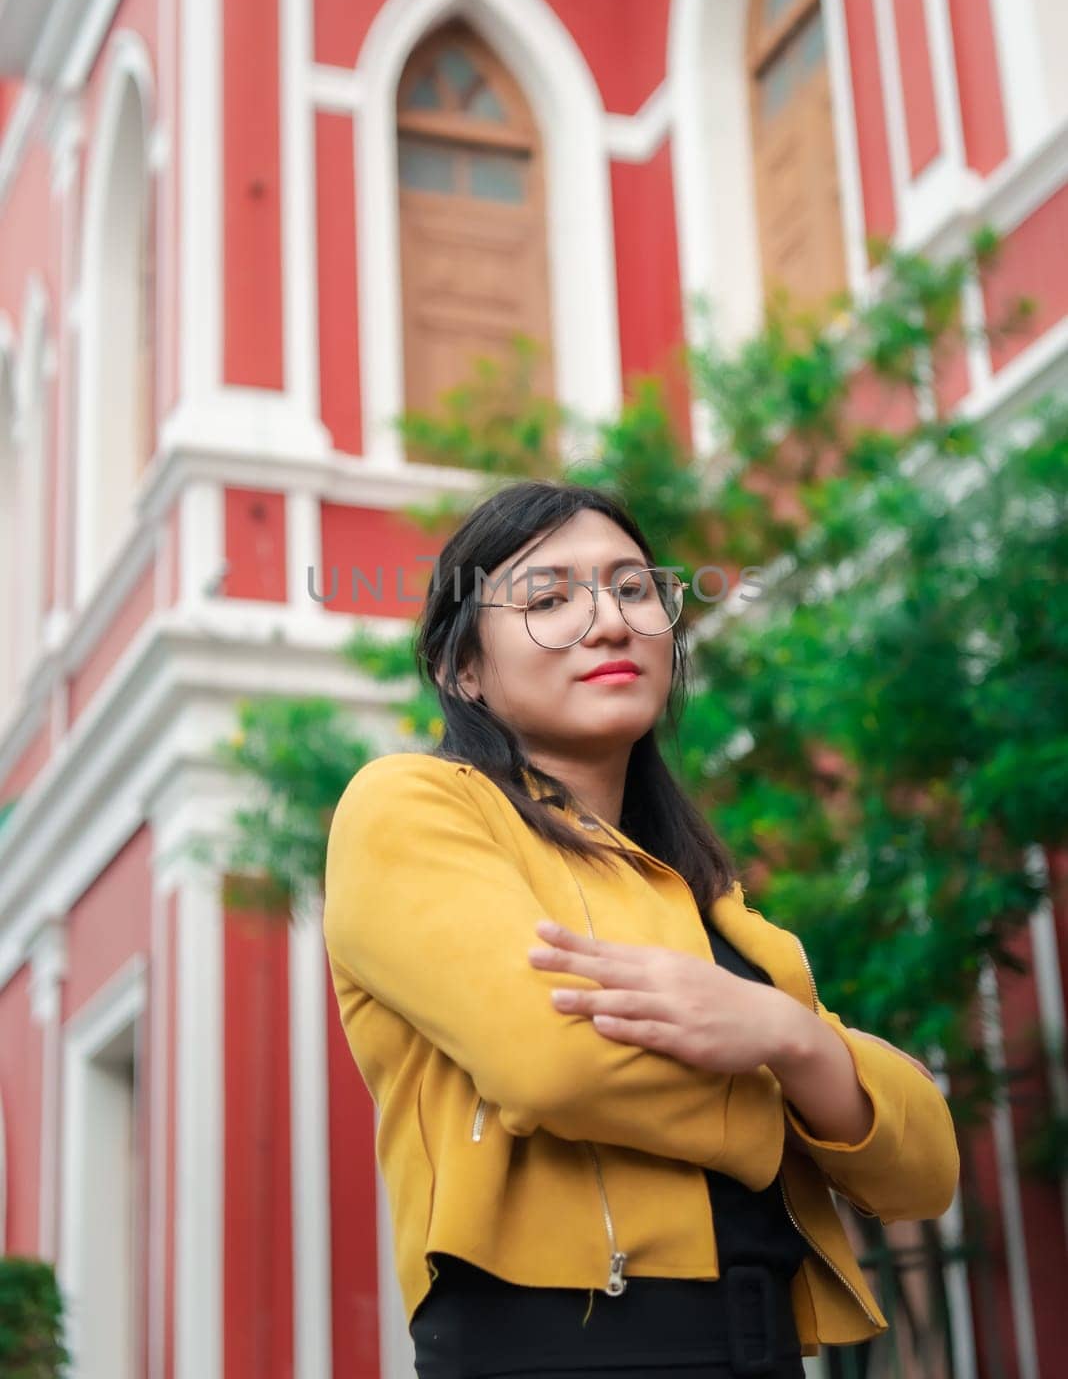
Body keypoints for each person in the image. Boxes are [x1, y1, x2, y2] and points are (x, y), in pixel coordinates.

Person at [323, 480, 959, 1378]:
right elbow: (553, 1063)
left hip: (762, 1342)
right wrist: (801, 1080)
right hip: (565, 1344)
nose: (609, 622)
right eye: (547, 599)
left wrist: (784, 1032)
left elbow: (923, 1168)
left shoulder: (708, 898)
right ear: (462, 669)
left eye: (632, 589)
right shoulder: (409, 805)